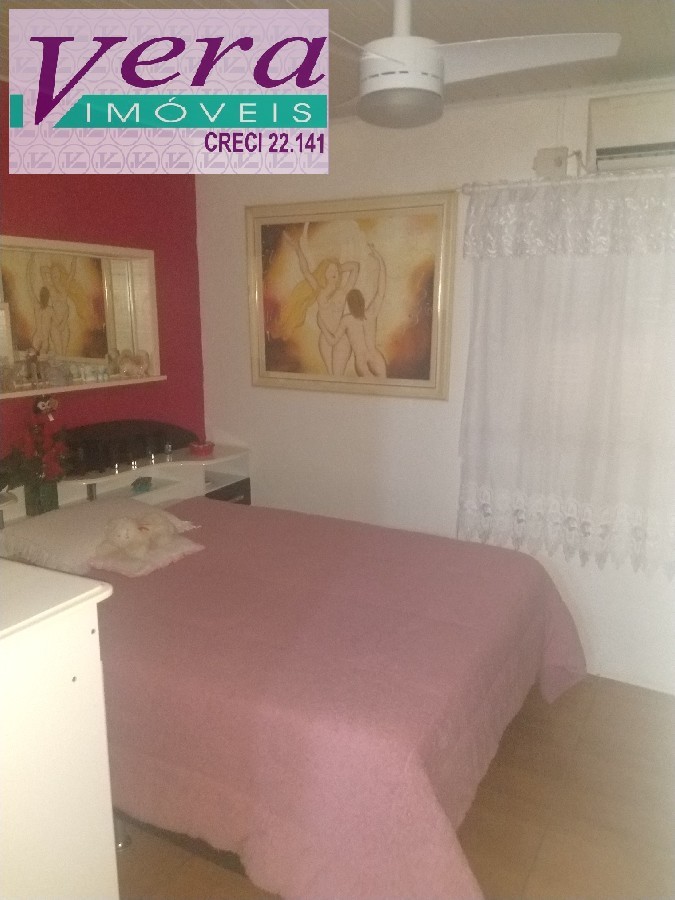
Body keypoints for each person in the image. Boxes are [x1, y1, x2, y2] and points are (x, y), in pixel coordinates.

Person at [281, 223, 359, 375]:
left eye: (335, 271)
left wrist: (338, 267)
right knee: (330, 376)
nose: (334, 272)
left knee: (338, 376)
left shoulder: (343, 291)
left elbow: (355, 267)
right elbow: (305, 271)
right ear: (324, 273)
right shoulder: (319, 291)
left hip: (341, 339)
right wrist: (297, 249)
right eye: (330, 270)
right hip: (325, 339)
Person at [318, 244, 388, 378]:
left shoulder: (348, 319)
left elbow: (332, 341)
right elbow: (381, 289)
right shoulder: (370, 313)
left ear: (349, 306)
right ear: (362, 302)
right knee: (379, 383)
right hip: (368, 357)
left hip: (366, 358)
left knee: (379, 383)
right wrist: (379, 259)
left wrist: (322, 326)